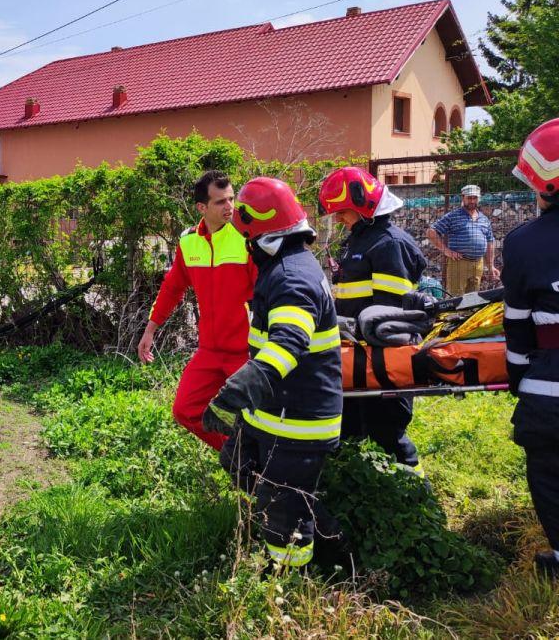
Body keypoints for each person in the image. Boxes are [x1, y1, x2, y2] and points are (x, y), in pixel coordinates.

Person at [205, 177, 344, 570]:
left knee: (284, 509)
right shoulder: (286, 266)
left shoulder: (291, 277)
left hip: (298, 421)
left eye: (247, 239)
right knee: (237, 463)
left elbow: (289, 342)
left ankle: (290, 575)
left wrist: (240, 388)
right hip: (271, 413)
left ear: (261, 236)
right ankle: (308, 526)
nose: (246, 247)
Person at [137, 170, 257, 450]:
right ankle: (236, 455)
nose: (230, 207)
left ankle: (256, 466)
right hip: (209, 351)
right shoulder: (189, 242)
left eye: (232, 199)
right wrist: (150, 329)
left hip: (247, 352)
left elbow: (265, 293)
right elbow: (171, 288)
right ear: (202, 207)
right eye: (220, 202)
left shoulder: (246, 238)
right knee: (185, 410)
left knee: (258, 420)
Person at [319, 167, 427, 473]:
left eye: (343, 212)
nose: (339, 219)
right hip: (359, 354)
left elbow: (393, 313)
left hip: (385, 357)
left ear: (364, 207)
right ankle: (359, 488)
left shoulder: (389, 244)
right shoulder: (360, 241)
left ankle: (414, 488)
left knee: (387, 432)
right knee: (349, 427)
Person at [501, 118, 559, 577]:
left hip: (551, 390)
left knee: (550, 471)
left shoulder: (524, 243)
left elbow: (517, 325)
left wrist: (519, 379)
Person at [427, 184, 499, 294]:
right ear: (463, 198)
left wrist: (491, 266)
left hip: (478, 264)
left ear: (478, 199)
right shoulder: (453, 216)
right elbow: (431, 232)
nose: (472, 201)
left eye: (475, 198)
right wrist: (446, 251)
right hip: (459, 263)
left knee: (473, 299)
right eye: (469, 198)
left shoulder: (484, 219)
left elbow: (490, 242)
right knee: (456, 298)